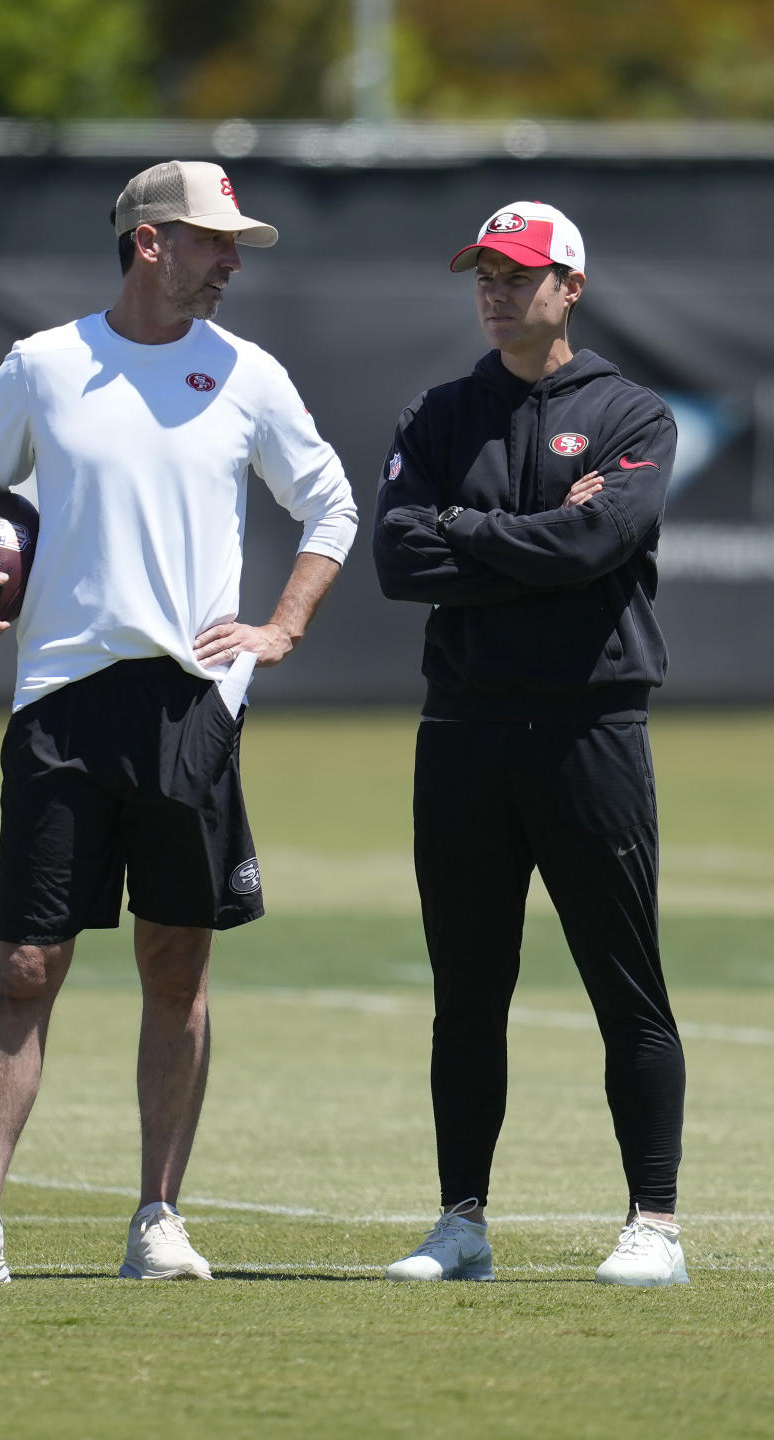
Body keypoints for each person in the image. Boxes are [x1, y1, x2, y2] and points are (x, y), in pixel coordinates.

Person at [0, 160, 357, 1284]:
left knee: (177, 967)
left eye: (235, 244)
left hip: (190, 707)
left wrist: (281, 628)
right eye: (214, 241)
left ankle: (158, 1216)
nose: (230, 260)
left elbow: (330, 502)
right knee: (26, 962)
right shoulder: (45, 365)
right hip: (61, 699)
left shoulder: (247, 375)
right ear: (150, 242)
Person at [372, 200, 687, 1287]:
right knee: (467, 990)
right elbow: (399, 560)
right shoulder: (441, 410)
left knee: (624, 984)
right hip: (461, 733)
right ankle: (461, 1223)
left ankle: (655, 1223)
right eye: (484, 275)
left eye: (518, 274)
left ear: (570, 287)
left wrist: (471, 533)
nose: (496, 291)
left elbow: (602, 539)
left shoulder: (632, 414)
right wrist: (524, 541)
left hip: (588, 729)